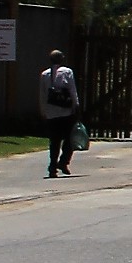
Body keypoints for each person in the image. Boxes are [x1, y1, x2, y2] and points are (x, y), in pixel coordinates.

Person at [39, 48, 79, 177]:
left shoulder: (45, 74)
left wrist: (43, 109)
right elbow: (72, 90)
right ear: (61, 59)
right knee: (69, 138)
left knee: (54, 140)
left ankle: (52, 166)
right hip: (66, 111)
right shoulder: (67, 72)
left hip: (51, 112)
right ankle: (63, 161)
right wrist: (75, 104)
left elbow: (43, 94)